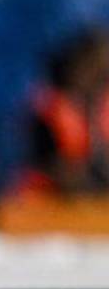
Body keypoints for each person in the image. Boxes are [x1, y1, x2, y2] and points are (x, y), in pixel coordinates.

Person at [21, 27, 109, 194]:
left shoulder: (101, 106)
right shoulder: (48, 109)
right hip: (44, 200)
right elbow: (57, 169)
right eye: (97, 68)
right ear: (77, 66)